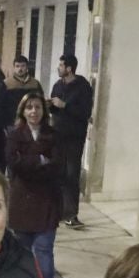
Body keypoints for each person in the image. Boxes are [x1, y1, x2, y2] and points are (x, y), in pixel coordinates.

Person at [4, 91, 62, 278]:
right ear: (23, 110)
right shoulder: (14, 134)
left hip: (46, 200)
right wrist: (39, 160)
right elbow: (13, 163)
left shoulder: (53, 135)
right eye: (29, 107)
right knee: (23, 253)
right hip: (22, 200)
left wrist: (28, 161)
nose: (33, 111)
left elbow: (56, 164)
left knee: (44, 251)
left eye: (37, 107)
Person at [49, 55, 94, 228]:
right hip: (57, 134)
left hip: (74, 136)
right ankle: (57, 211)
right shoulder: (58, 85)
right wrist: (50, 105)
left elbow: (85, 112)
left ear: (69, 68)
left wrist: (65, 106)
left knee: (72, 174)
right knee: (58, 173)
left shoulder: (83, 87)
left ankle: (71, 214)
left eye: (61, 65)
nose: (58, 68)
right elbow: (55, 107)